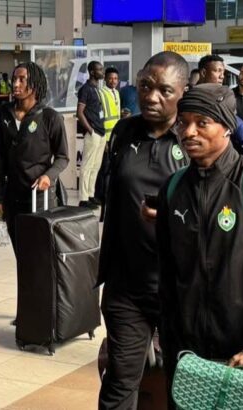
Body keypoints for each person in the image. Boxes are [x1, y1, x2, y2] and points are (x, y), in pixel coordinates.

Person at [155, 84, 243, 407]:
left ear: (227, 127)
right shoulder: (173, 189)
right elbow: (166, 275)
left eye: (202, 123)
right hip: (189, 361)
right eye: (183, 123)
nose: (188, 132)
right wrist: (164, 336)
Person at [97, 51, 190, 410]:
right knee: (120, 381)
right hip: (127, 286)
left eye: (164, 90)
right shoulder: (124, 132)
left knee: (182, 386)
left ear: (182, 92)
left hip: (179, 288)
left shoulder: (192, 138)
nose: (151, 96)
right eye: (145, 86)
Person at [0, 62, 69, 253]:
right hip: (13, 197)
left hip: (39, 197)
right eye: (14, 79)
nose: (15, 84)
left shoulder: (50, 117)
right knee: (21, 253)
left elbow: (62, 157)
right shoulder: (3, 113)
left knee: (40, 253)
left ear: (34, 84)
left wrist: (48, 176)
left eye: (22, 79)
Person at [197, 55, 243, 157]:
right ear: (203, 73)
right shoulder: (192, 98)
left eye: (223, 72)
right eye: (218, 71)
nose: (222, 76)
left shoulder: (224, 96)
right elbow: (239, 129)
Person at [77, 60, 106, 209]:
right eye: (100, 69)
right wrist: (90, 130)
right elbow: (80, 112)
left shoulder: (97, 88)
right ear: (92, 72)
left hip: (101, 132)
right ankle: (83, 198)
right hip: (93, 132)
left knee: (96, 166)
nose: (103, 72)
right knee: (87, 166)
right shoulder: (86, 89)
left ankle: (90, 194)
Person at [93, 67, 121, 207]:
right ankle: (99, 196)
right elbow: (100, 115)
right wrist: (104, 139)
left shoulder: (117, 92)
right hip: (105, 136)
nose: (113, 81)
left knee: (112, 168)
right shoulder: (101, 93)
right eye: (110, 78)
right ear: (105, 79)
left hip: (115, 135)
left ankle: (108, 195)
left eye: (115, 78)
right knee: (103, 168)